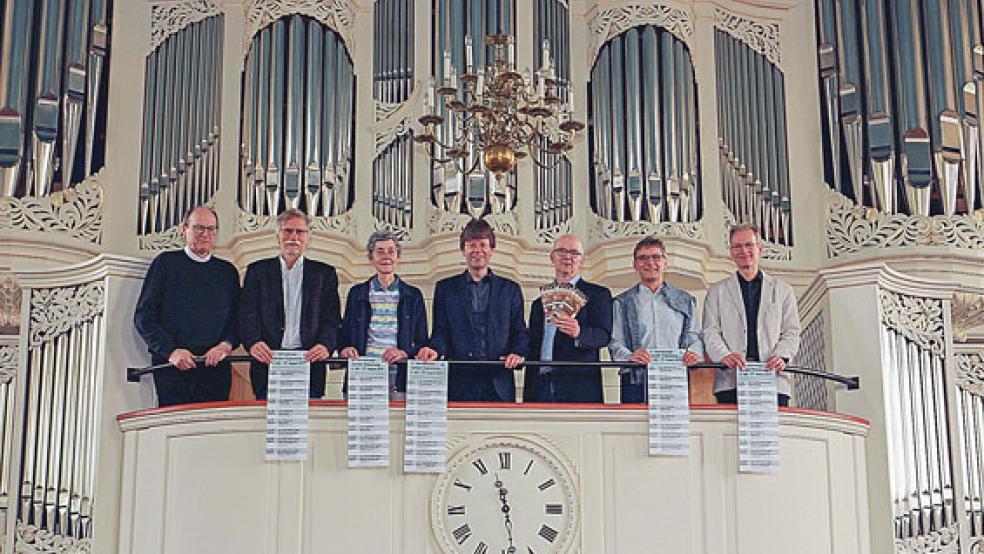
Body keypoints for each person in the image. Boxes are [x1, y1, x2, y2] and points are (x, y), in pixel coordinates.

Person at [134, 206, 240, 407]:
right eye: (199, 228)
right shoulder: (165, 263)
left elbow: (237, 320)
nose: (205, 234)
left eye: (211, 229)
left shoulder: (227, 272)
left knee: (212, 431)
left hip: (215, 369)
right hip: (173, 367)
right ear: (184, 230)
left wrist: (225, 346)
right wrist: (171, 351)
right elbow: (143, 317)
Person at [416, 219, 529, 401]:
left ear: (492, 249)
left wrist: (517, 352)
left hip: (499, 381)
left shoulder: (511, 289)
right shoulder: (445, 288)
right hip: (460, 382)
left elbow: (519, 332)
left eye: (483, 245)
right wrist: (435, 350)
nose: (477, 251)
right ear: (463, 250)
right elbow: (441, 331)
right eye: (471, 245)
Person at [239, 209, 341, 399]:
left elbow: (331, 318)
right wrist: (253, 342)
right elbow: (247, 314)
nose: (293, 237)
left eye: (300, 232)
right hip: (268, 362)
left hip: (309, 362)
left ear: (308, 237)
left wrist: (325, 345)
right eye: (287, 231)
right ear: (278, 235)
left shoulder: (324, 274)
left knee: (309, 424)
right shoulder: (257, 271)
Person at [702, 224, 801, 406]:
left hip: (772, 378)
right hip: (731, 381)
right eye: (737, 246)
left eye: (749, 245)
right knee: (730, 434)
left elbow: (791, 332)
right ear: (731, 252)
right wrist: (724, 356)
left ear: (759, 249)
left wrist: (781, 356)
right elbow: (710, 331)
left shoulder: (783, 290)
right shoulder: (717, 291)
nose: (743, 251)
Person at [608, 236, 703, 403]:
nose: (649, 262)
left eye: (656, 257)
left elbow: (693, 337)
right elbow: (615, 341)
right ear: (635, 265)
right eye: (643, 258)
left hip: (674, 378)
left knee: (674, 428)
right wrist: (630, 356)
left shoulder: (685, 300)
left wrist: (694, 353)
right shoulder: (622, 302)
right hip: (636, 380)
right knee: (634, 428)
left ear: (665, 263)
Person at [338, 230, 428, 399]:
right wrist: (345, 349)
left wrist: (404, 352)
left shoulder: (413, 295)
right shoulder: (356, 293)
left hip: (399, 375)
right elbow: (345, 334)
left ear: (398, 257)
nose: (386, 256)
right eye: (380, 251)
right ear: (371, 258)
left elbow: (422, 341)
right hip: (363, 373)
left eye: (391, 251)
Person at [525, 234, 612, 403]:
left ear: (582, 260)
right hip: (539, 384)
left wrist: (580, 333)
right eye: (562, 251)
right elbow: (533, 343)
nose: (568, 257)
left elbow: (604, 335)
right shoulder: (538, 303)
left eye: (574, 253)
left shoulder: (598, 294)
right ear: (552, 257)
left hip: (578, 385)